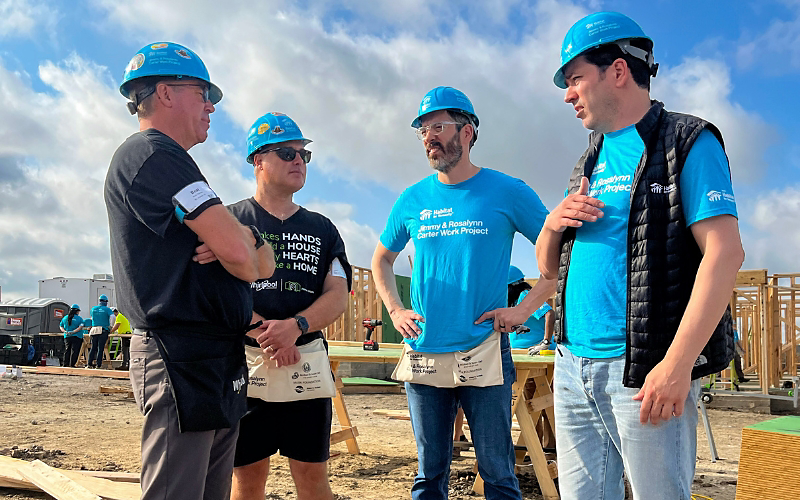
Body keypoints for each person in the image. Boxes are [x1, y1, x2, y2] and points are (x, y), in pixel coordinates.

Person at [536, 12, 745, 499]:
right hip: (572, 366)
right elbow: (549, 270)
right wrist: (552, 223)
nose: (568, 94)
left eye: (575, 79)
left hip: (645, 369)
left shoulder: (687, 141)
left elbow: (725, 253)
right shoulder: (589, 159)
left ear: (618, 71)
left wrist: (677, 363)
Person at [105, 42, 274, 500]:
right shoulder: (152, 156)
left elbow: (257, 257)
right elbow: (242, 257)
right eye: (202, 92)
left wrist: (245, 242)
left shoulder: (179, 163)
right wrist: (241, 247)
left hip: (211, 358)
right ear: (165, 93)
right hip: (179, 356)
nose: (211, 105)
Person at [372, 86, 556, 500]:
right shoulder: (412, 198)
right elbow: (381, 259)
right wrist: (396, 310)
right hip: (424, 349)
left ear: (468, 132)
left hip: (483, 350)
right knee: (429, 471)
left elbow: (558, 258)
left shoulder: (508, 191)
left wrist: (523, 309)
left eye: (438, 126)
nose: (429, 136)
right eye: (422, 129)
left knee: (497, 470)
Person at [219, 112, 352, 500]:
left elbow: (338, 293)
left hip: (305, 363)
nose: (298, 160)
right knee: (247, 480)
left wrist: (294, 326)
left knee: (313, 478)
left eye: (303, 154)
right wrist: (268, 333)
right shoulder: (229, 219)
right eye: (286, 153)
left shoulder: (322, 228)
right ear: (258, 161)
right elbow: (221, 292)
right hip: (247, 364)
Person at [505, 266, 554, 354]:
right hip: (520, 352)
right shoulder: (512, 300)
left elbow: (549, 314)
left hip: (538, 352)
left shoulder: (526, 296)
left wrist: (545, 342)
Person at [87, 295, 114, 369]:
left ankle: (89, 364)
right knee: (100, 348)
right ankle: (98, 365)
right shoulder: (107, 309)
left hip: (94, 329)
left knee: (93, 348)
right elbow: (112, 317)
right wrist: (111, 326)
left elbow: (91, 318)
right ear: (106, 302)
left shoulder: (93, 309)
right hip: (103, 329)